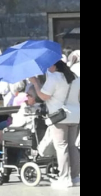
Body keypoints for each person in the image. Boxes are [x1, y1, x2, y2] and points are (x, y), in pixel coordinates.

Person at [32, 60, 80, 188]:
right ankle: (75, 177)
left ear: (54, 66)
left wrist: (36, 83)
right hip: (75, 115)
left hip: (59, 116)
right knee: (72, 146)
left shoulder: (54, 78)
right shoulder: (75, 77)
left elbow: (44, 96)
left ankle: (64, 178)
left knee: (61, 146)